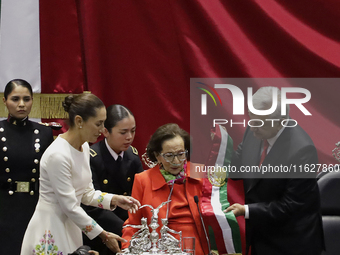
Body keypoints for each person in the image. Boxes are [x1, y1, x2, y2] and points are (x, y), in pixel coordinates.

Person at [20, 93, 140, 255]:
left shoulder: (83, 148)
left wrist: (114, 199)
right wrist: (102, 234)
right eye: (98, 124)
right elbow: (69, 206)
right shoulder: (58, 155)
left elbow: (86, 193)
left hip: (73, 225)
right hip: (51, 229)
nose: (102, 129)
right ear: (79, 121)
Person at [225, 87, 324, 255]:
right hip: (261, 236)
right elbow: (237, 171)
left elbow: (291, 206)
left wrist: (246, 210)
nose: (253, 127)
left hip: (291, 243)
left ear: (281, 122)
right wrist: (222, 148)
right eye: (251, 119)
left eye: (260, 123)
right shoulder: (254, 130)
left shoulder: (302, 150)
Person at [121, 123, 209, 255]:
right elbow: (134, 224)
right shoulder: (143, 180)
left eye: (181, 154)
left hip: (197, 248)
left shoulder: (201, 174)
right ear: (157, 155)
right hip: (160, 250)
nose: (176, 161)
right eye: (169, 155)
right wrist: (127, 249)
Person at [0, 79, 54, 255]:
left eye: (27, 99)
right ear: (5, 101)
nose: (21, 104)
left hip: (35, 206)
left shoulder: (44, 133)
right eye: (15, 99)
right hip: (4, 208)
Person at [83, 104, 143, 254]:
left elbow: (140, 195)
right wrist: (124, 229)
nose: (129, 137)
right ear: (105, 131)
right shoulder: (92, 158)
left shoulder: (132, 156)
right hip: (101, 232)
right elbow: (91, 206)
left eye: (133, 131)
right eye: (123, 132)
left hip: (129, 230)